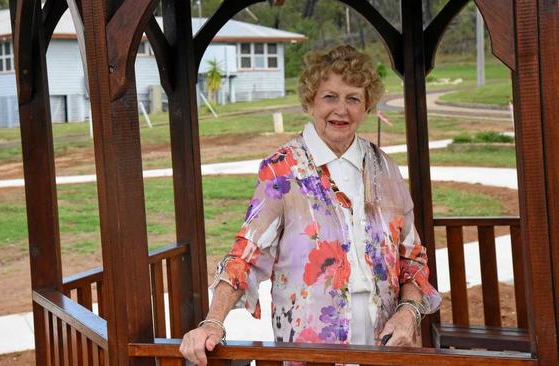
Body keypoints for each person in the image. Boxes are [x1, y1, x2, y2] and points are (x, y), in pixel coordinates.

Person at [180, 44, 441, 366]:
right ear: (310, 101)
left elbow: (411, 255)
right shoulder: (283, 169)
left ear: (367, 105)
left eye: (353, 98)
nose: (341, 110)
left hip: (385, 339)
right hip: (311, 345)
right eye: (329, 96)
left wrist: (409, 312)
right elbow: (247, 252)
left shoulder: (385, 167)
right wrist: (213, 321)